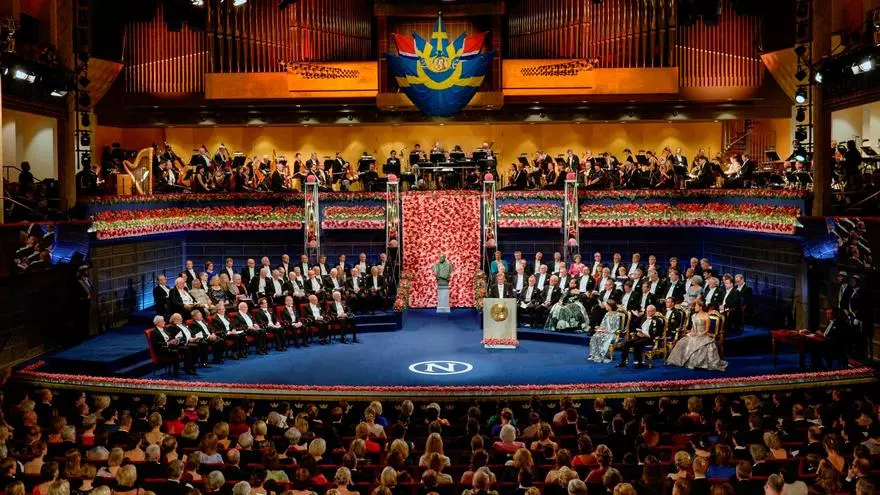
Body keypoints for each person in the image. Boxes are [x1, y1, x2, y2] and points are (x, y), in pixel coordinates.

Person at [667, 299, 727, 371]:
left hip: (703, 335)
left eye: (696, 306)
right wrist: (692, 333)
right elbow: (693, 327)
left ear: (700, 307)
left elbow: (707, 329)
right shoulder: (694, 315)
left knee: (698, 345)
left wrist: (699, 334)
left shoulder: (706, 316)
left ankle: (697, 363)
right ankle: (680, 361)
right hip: (694, 334)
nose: (694, 308)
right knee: (682, 342)